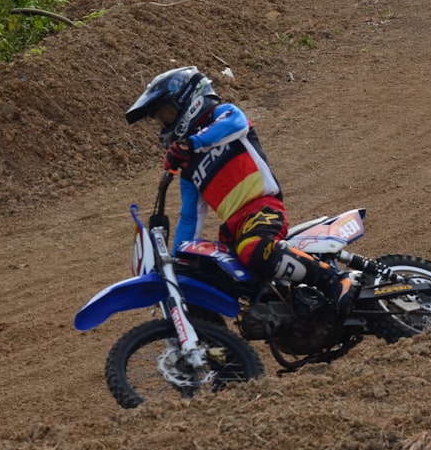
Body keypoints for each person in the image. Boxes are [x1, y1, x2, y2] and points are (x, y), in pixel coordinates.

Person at [125, 66, 358, 314]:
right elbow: (190, 218)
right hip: (233, 231)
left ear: (189, 102)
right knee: (209, 277)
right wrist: (176, 265)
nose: (165, 122)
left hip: (262, 209)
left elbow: (236, 123)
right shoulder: (189, 169)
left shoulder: (223, 115)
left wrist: (193, 143)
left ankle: (334, 281)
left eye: (168, 113)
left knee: (254, 250)